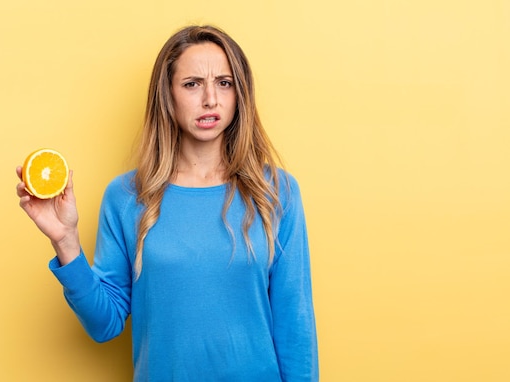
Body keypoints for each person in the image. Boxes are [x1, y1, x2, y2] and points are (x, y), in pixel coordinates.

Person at [16, 25, 319, 381]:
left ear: (240, 94)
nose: (211, 99)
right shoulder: (127, 197)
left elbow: (295, 326)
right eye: (192, 84)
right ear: (167, 95)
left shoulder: (276, 192)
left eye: (224, 82)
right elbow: (104, 323)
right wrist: (65, 241)